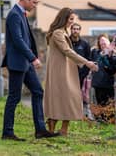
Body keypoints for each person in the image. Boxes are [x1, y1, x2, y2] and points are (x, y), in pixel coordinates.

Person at [1, 0, 59, 141]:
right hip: (17, 62)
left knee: (38, 91)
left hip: (25, 63)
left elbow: (26, 39)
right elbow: (18, 40)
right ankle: (7, 132)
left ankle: (40, 130)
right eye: (34, 2)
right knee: (14, 97)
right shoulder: (14, 14)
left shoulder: (22, 14)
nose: (35, 5)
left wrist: (31, 57)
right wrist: (33, 58)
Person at [44, 8, 98, 136]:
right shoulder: (58, 33)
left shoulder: (62, 32)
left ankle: (63, 129)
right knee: (62, 98)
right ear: (64, 18)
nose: (72, 22)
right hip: (60, 71)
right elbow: (67, 51)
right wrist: (87, 62)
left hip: (66, 70)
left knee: (69, 97)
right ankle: (53, 126)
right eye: (71, 19)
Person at [70, 23, 94, 120]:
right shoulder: (67, 43)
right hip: (68, 73)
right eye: (74, 29)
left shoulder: (85, 44)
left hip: (80, 75)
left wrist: (84, 74)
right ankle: (67, 112)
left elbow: (88, 60)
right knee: (67, 93)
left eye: (77, 29)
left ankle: (77, 113)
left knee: (77, 94)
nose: (75, 31)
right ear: (71, 30)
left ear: (80, 31)